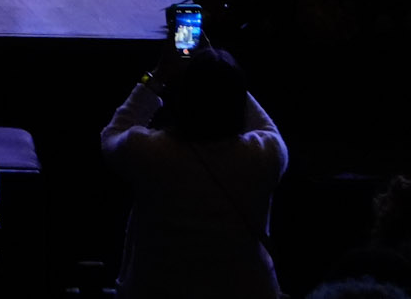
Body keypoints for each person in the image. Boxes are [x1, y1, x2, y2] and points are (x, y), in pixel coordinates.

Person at [100, 47, 287, 299]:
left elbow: (112, 134)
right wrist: (224, 75)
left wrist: (156, 76)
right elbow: (265, 124)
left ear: (184, 98)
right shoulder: (265, 154)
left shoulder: (149, 151)